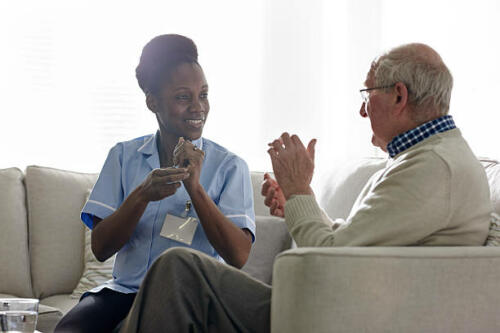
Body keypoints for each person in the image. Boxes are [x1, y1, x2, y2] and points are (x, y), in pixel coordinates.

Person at [118, 43, 493, 333]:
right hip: (350, 300)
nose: (363, 112)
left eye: (368, 95)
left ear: (399, 95)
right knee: (178, 273)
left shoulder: (432, 169)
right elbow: (355, 244)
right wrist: (300, 201)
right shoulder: (429, 159)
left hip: (345, 314)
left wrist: (298, 191)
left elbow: (329, 259)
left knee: (179, 269)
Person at [54, 34, 255, 333]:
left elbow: (238, 256)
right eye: (183, 97)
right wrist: (142, 195)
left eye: (204, 94)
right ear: (153, 101)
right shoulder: (123, 156)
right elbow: (101, 247)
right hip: (123, 292)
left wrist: (195, 190)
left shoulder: (229, 166)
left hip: (189, 298)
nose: (198, 107)